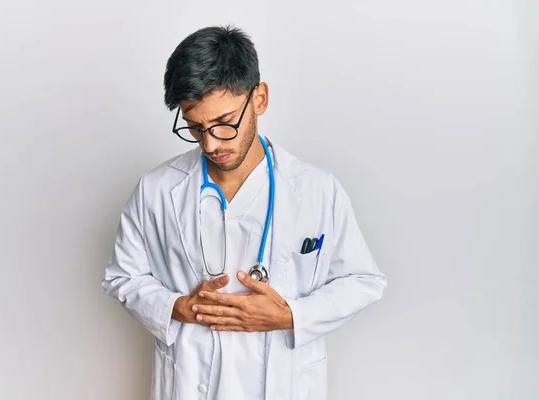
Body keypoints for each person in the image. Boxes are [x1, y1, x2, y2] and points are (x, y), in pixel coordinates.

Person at [102, 25, 387, 400]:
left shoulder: (317, 189)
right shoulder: (156, 190)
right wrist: (179, 307)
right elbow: (122, 277)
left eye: (224, 124)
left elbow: (363, 281)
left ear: (260, 99)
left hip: (283, 382)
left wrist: (290, 316)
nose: (210, 143)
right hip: (191, 381)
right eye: (195, 127)